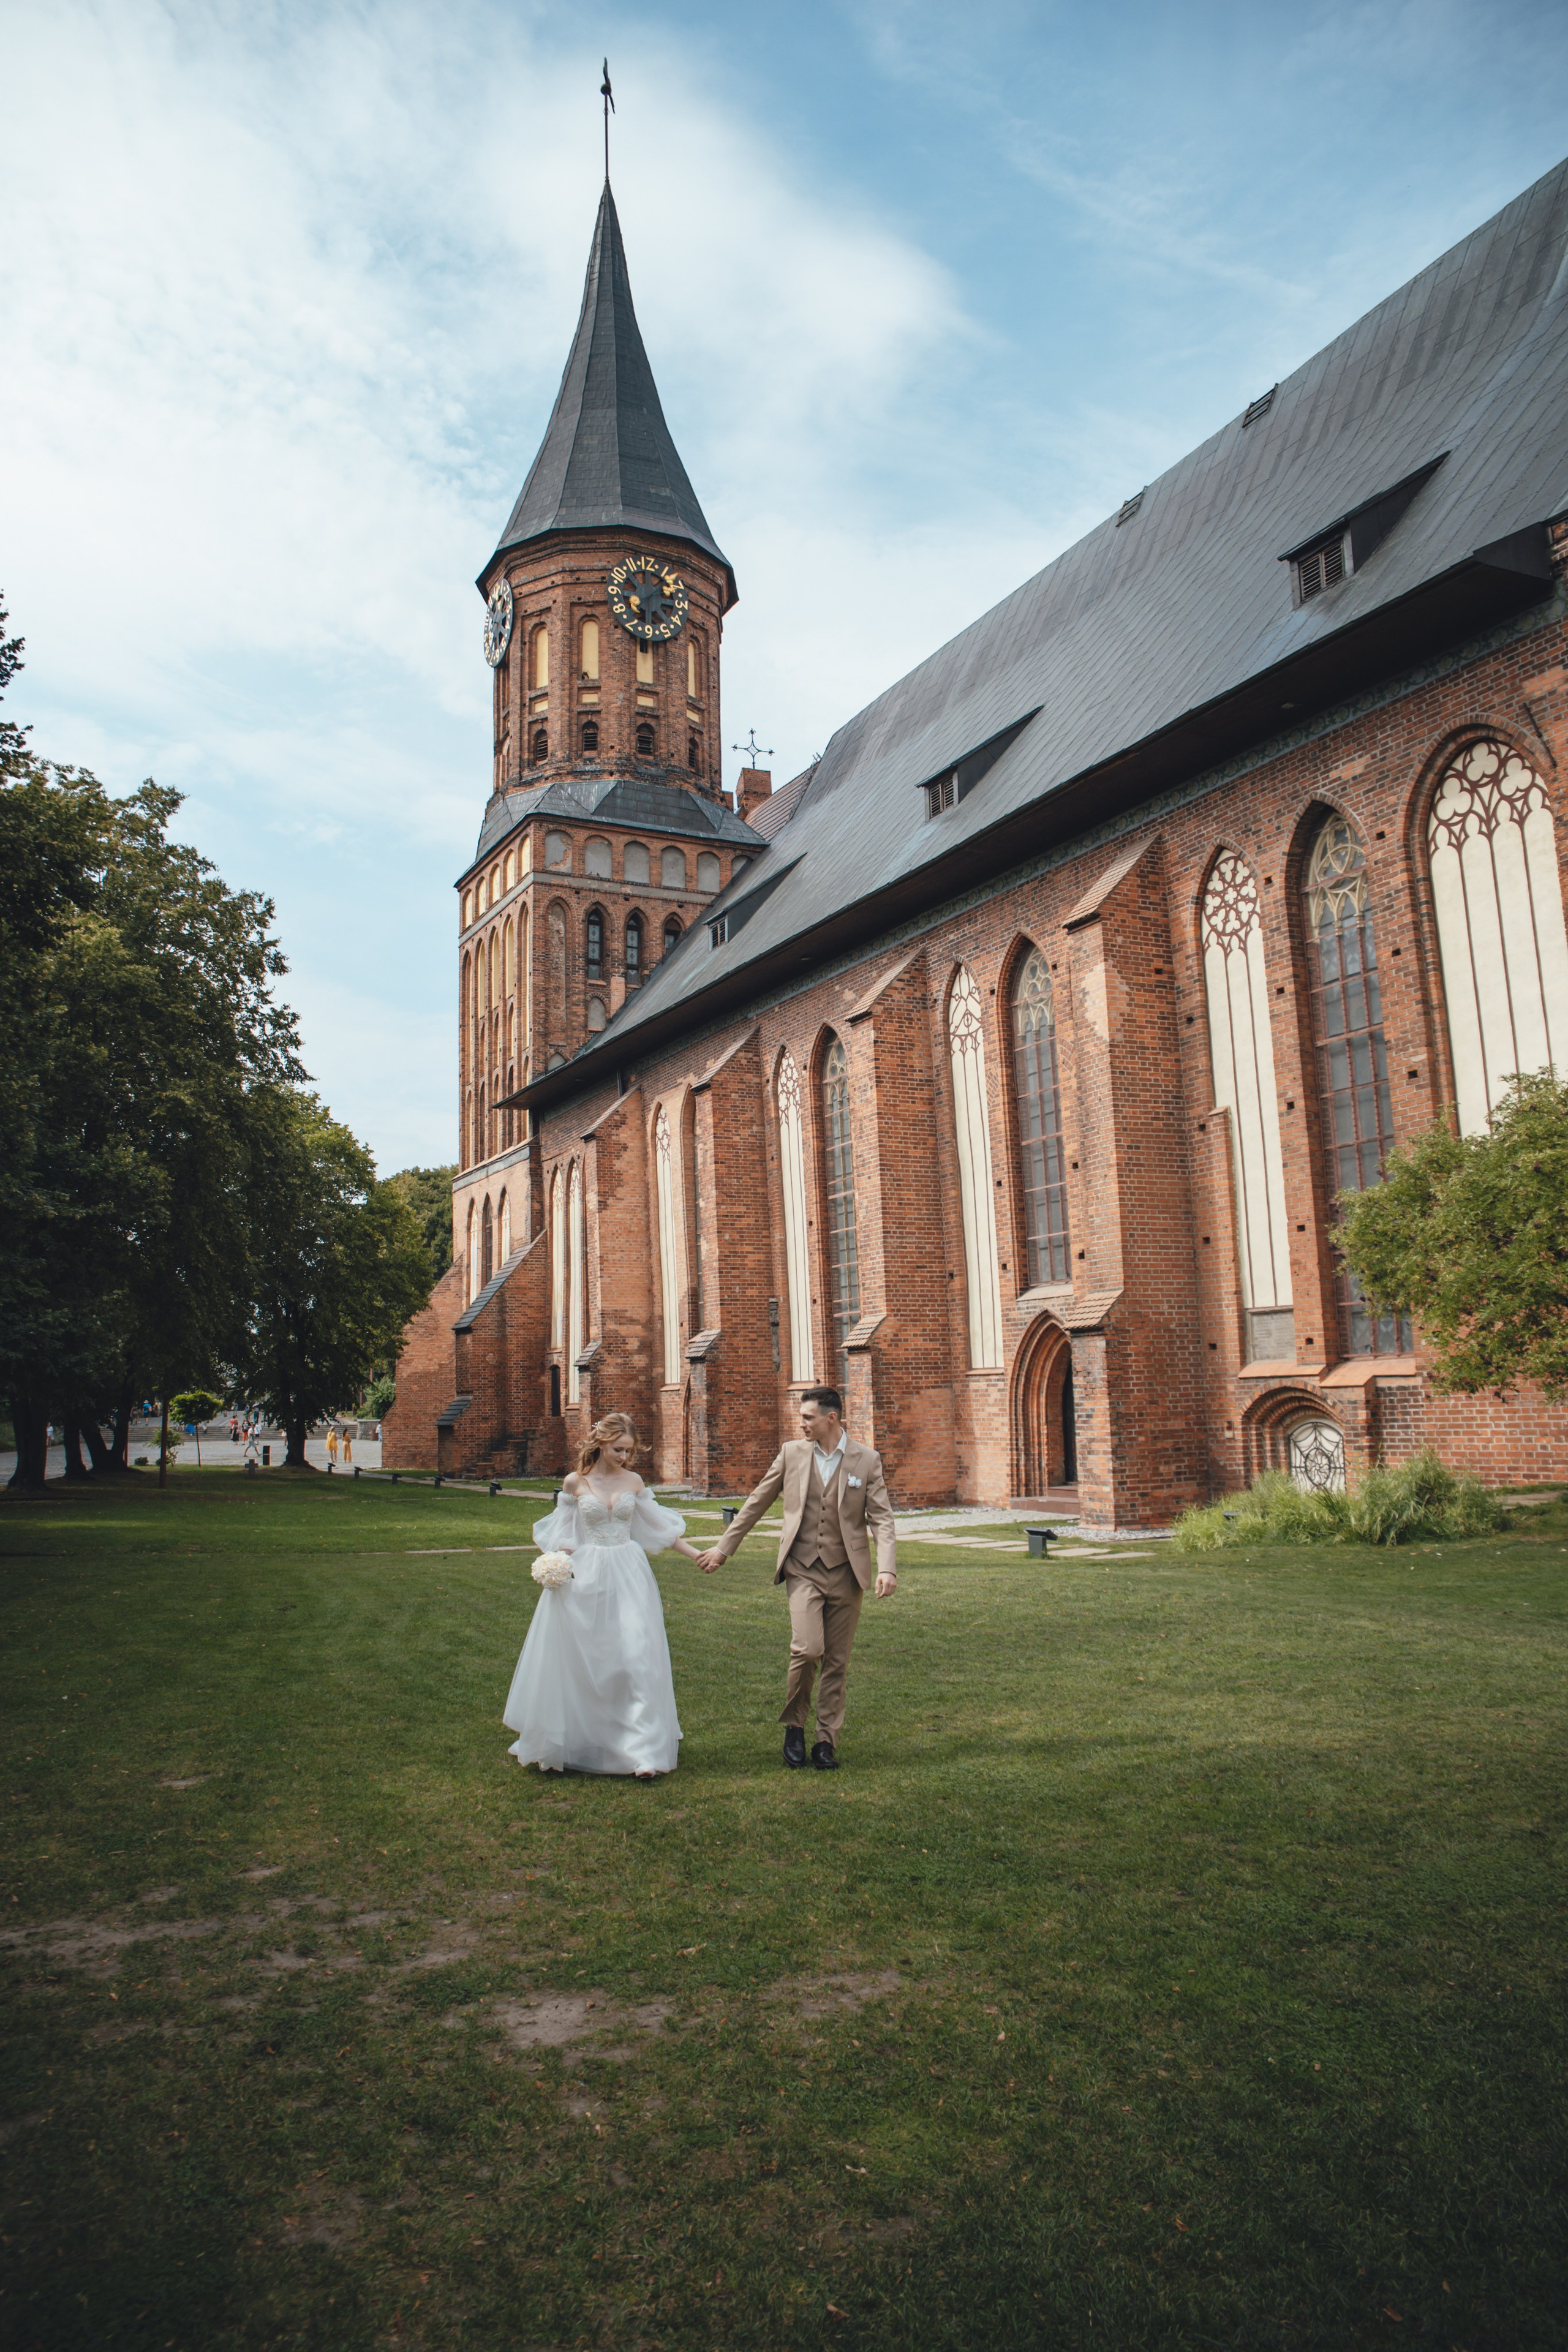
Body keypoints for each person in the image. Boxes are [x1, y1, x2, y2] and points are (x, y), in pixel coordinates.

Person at [694, 1386, 896, 1771]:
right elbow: (757, 1501)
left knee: (837, 1660)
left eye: (808, 1417)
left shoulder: (866, 1460)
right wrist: (724, 1548)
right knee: (807, 1651)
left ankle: (825, 1741)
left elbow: (882, 1518)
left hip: (847, 1572)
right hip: (802, 1568)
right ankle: (794, 1726)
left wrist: (887, 1566)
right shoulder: (791, 1453)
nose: (800, 1423)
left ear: (831, 1418)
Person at [503, 1413, 703, 1777]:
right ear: (601, 1443)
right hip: (587, 1574)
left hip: (630, 1573)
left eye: (628, 1450)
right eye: (618, 1449)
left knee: (638, 1654)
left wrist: (697, 1555)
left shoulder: (634, 1481)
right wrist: (557, 1566)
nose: (624, 1457)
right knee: (591, 1658)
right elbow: (562, 1536)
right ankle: (576, 1739)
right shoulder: (574, 1483)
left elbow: (658, 1528)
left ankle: (644, 1752)